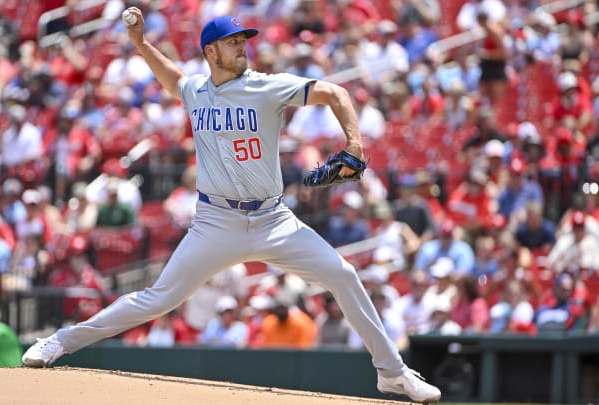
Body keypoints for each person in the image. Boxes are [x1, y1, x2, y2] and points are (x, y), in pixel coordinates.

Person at [22, 12, 441, 403]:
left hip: (273, 219)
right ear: (211, 52)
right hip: (215, 221)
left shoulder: (265, 86)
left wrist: (354, 143)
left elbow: (336, 91)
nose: (242, 46)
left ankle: (392, 372)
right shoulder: (196, 91)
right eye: (232, 41)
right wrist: (141, 43)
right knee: (158, 298)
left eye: (244, 40)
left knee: (343, 275)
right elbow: (174, 80)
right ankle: (62, 341)